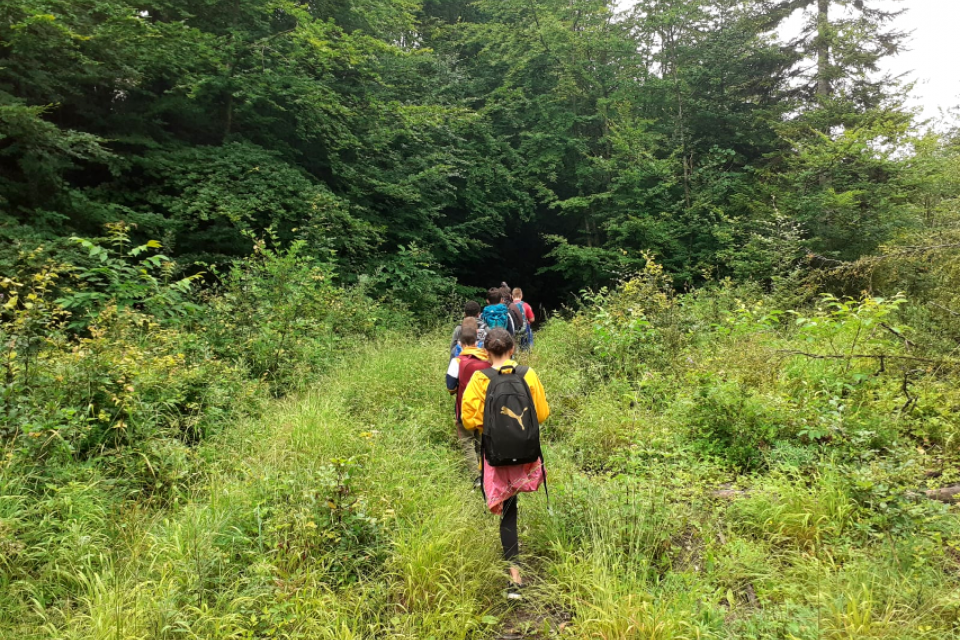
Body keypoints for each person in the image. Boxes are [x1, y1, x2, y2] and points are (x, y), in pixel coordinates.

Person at [461, 328, 550, 599]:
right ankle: (515, 574)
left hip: (495, 454)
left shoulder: (480, 377)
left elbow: (469, 420)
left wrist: (494, 428)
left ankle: (515, 578)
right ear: (513, 349)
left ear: (486, 353)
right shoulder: (528, 374)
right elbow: (542, 414)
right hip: (525, 453)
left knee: (508, 512)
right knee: (514, 505)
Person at [445, 319, 490, 479]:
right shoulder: (488, 360)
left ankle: (476, 477)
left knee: (466, 441)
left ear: (461, 343)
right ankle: (485, 472)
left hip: (465, 408)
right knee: (481, 439)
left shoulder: (457, 361)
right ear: (476, 342)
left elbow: (450, 386)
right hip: (485, 408)